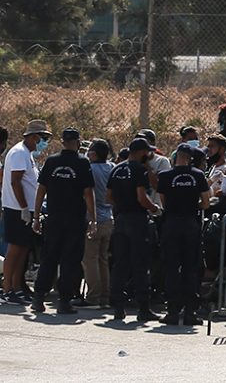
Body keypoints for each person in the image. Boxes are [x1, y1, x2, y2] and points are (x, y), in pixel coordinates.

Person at [30, 128, 96, 314]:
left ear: (62, 141)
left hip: (54, 219)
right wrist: (93, 218)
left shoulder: (52, 161)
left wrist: (36, 216)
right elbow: (88, 193)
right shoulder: (82, 162)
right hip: (74, 220)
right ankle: (64, 301)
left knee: (49, 258)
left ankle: (39, 297)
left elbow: (41, 190)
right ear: (77, 141)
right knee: (70, 261)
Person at [108, 137, 162, 322]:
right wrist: (154, 208)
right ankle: (143, 308)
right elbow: (142, 196)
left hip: (120, 219)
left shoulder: (116, 168)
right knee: (140, 265)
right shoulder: (140, 169)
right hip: (137, 221)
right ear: (141, 152)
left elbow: (108, 197)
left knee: (120, 265)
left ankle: (118, 307)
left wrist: (122, 205)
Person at [157, 143, 211, 325]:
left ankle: (172, 311)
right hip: (191, 224)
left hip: (171, 224)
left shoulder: (165, 176)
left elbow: (163, 201)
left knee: (171, 267)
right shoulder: (198, 175)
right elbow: (205, 202)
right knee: (191, 268)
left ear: (176, 157)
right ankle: (190, 312)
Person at [1, 119, 49, 305]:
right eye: (42, 138)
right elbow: (15, 182)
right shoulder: (20, 153)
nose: (43, 142)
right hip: (16, 209)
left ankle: (17, 287)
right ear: (33, 136)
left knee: (23, 249)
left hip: (25, 209)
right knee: (15, 249)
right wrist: (23, 207)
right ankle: (7, 290)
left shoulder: (27, 154)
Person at [79, 138, 114, 308]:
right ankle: (105, 296)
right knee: (103, 259)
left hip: (93, 218)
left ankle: (93, 297)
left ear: (93, 153)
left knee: (89, 259)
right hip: (108, 217)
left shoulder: (89, 169)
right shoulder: (111, 168)